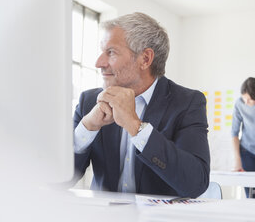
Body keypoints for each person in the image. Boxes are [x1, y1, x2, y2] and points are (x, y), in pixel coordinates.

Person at [72, 12, 210, 198]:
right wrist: (87, 127)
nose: (99, 63)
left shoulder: (187, 103)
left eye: (111, 52)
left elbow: (195, 183)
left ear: (145, 59)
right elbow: (60, 179)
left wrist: (136, 127)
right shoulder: (89, 102)